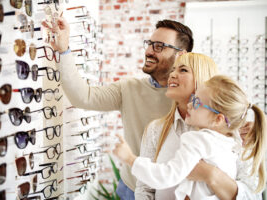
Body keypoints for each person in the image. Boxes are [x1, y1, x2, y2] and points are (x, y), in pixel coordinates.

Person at [42, 18, 255, 199]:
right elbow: (84, 97)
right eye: (149, 43)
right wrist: (64, 49)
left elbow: (250, 189)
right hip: (133, 187)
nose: (148, 51)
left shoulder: (218, 110)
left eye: (159, 46)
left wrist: (212, 175)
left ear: (182, 54)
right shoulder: (130, 91)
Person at [114, 73, 267, 199]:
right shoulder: (228, 143)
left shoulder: (197, 139)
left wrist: (130, 159)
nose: (189, 104)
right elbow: (145, 190)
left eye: (196, 101)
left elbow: (167, 176)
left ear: (218, 119)